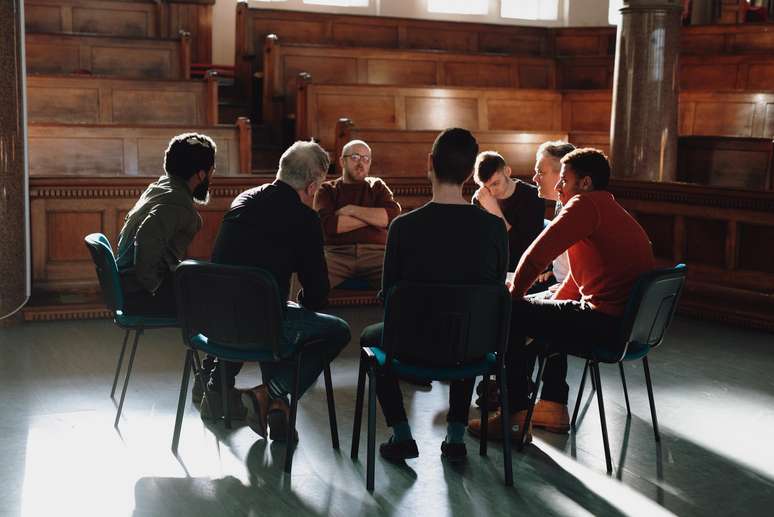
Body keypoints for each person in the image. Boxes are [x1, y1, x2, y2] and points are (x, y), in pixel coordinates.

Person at [468, 148, 655, 443]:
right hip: (627, 327)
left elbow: (535, 257)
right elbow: (575, 282)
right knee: (531, 311)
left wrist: (515, 296)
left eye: (564, 179)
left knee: (513, 314)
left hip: (606, 326)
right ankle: (545, 406)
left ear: (585, 183)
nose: (558, 187)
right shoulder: (608, 207)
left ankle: (514, 417)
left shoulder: (584, 204)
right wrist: (533, 301)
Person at [360, 128, 509, 463]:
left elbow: (389, 299)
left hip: (411, 345)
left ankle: (401, 434)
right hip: (470, 347)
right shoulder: (494, 228)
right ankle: (455, 436)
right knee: (469, 325)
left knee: (371, 337)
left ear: (430, 163)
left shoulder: (403, 227)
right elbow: (489, 299)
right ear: (471, 173)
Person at [200, 141, 352, 440]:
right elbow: (318, 291)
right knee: (335, 331)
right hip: (264, 326)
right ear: (312, 187)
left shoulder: (242, 200)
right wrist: (302, 307)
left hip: (214, 322)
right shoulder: (305, 219)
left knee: (264, 311)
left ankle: (231, 393)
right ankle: (271, 395)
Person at [116, 132, 216, 318]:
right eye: (211, 172)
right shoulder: (178, 204)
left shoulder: (158, 188)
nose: (211, 177)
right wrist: (156, 287)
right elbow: (146, 238)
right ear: (201, 175)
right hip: (139, 295)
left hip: (125, 286)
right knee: (222, 295)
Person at [314, 140, 401, 289]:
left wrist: (351, 210)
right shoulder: (327, 189)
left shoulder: (377, 186)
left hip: (377, 254)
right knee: (307, 276)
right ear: (342, 161)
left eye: (366, 159)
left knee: (404, 277)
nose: (361, 163)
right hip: (336, 255)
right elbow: (328, 225)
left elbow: (392, 216)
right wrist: (374, 218)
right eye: (355, 157)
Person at [472, 151, 545, 271]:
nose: (492, 192)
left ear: (507, 171)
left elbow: (524, 248)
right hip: (489, 268)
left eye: (495, 183)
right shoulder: (480, 197)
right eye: (486, 186)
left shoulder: (532, 196)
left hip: (520, 268)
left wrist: (494, 210)